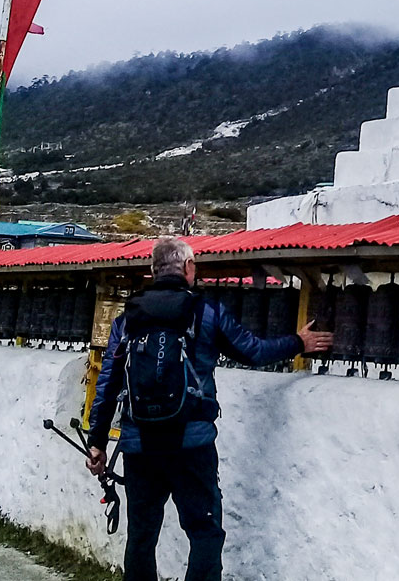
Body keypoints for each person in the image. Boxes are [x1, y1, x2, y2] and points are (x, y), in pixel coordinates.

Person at [86, 236, 332, 581]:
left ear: (153, 271)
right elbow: (254, 351)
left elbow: (108, 383)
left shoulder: (127, 320)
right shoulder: (206, 312)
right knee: (204, 533)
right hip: (192, 442)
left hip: (139, 445)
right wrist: (298, 343)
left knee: (141, 536)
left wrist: (97, 442)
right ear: (188, 268)